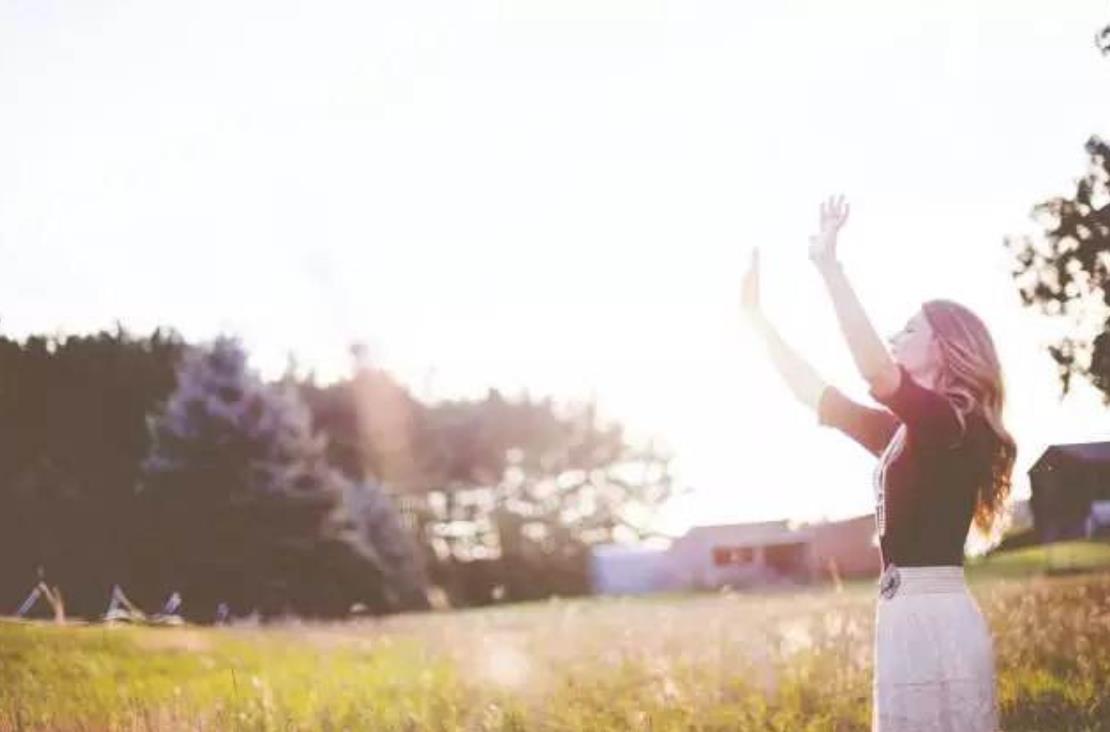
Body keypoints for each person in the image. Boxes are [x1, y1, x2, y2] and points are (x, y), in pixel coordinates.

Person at [740, 195, 1015, 731]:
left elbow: (875, 369)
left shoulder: (953, 428)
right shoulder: (908, 432)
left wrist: (829, 268)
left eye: (910, 330)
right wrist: (757, 321)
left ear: (945, 348)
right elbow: (814, 393)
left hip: (936, 620)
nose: (895, 339)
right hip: (902, 617)